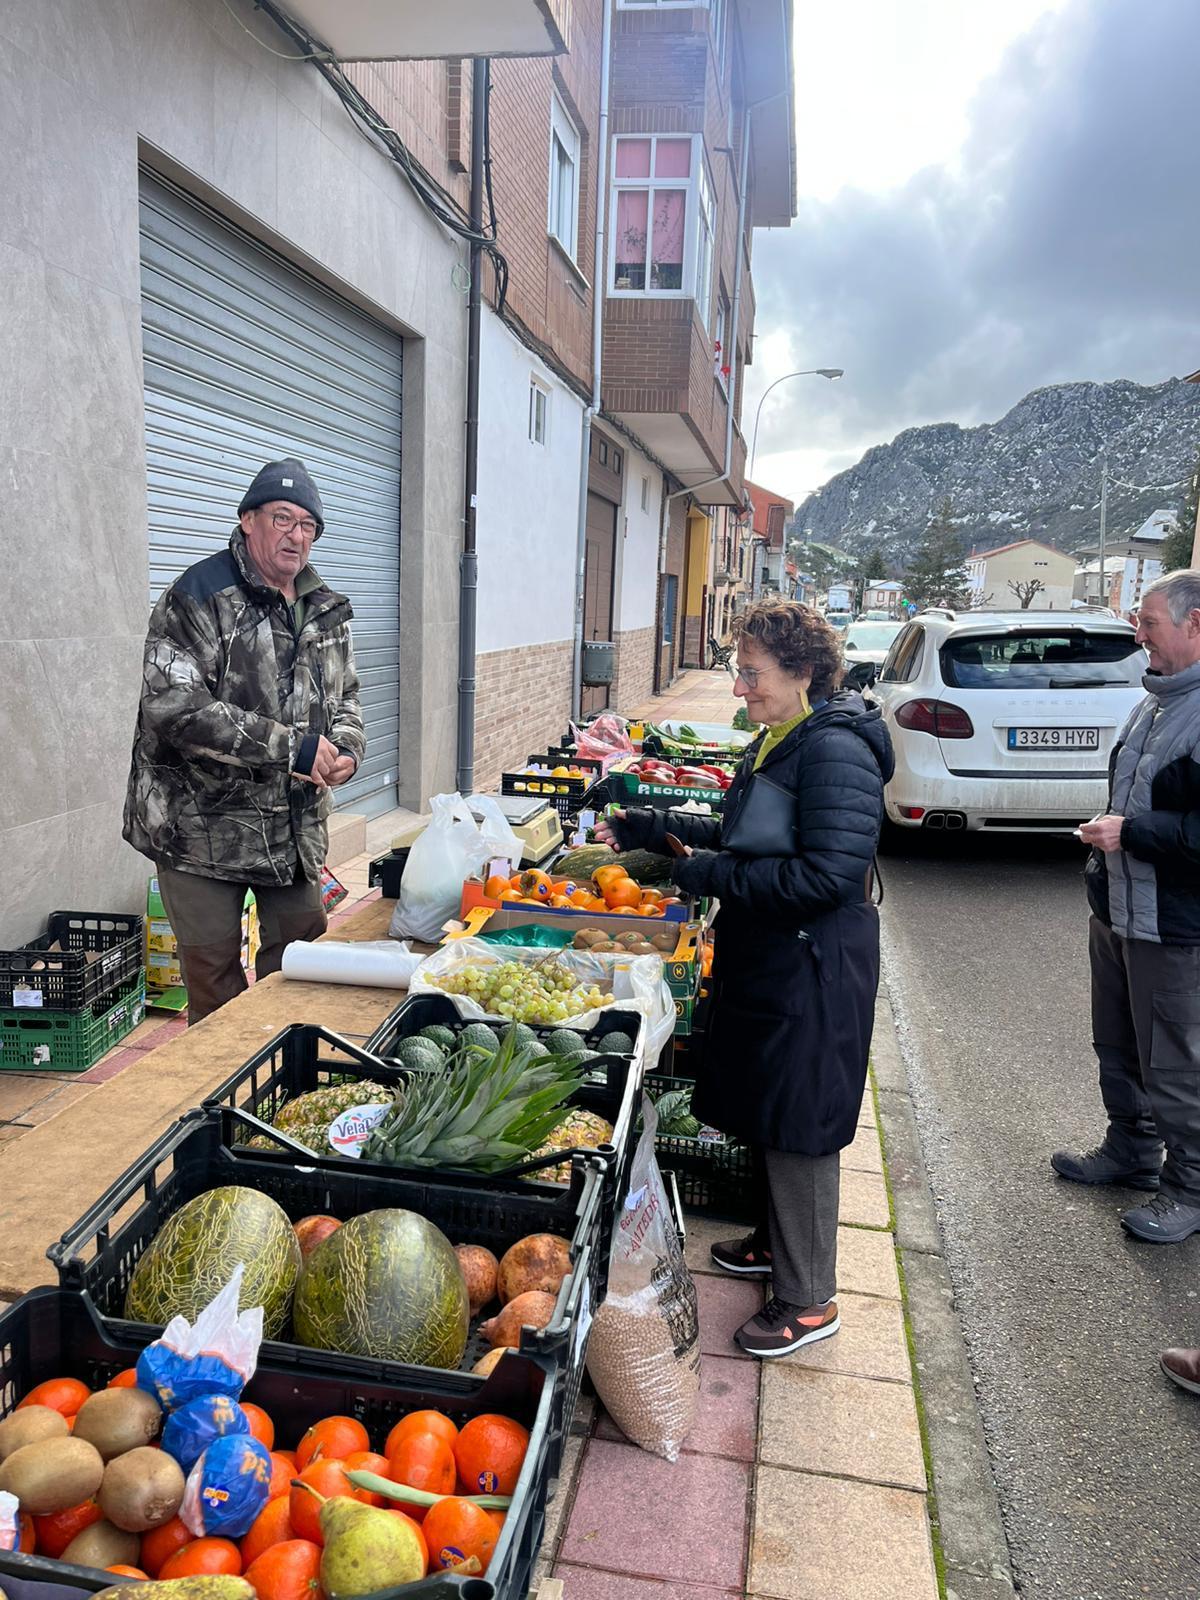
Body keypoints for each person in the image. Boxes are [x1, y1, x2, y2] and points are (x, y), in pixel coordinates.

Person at [596, 598, 894, 1357]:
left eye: (752, 674)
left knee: (800, 1121)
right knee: (769, 1101)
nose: (739, 688)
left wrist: (710, 875)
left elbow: (827, 876)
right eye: (739, 671)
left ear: (803, 672)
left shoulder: (835, 752)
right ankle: (773, 1243)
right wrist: (655, 829)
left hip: (815, 962)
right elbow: (746, 834)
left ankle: (809, 1299)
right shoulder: (784, 737)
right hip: (776, 953)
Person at [124, 458, 365, 1024]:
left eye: (308, 525)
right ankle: (229, 1081)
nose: (296, 535)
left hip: (292, 829)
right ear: (247, 520)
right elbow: (174, 707)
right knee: (215, 988)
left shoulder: (326, 609)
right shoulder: (197, 596)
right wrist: (291, 747)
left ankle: (289, 1067)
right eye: (282, 518)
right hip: (199, 830)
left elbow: (348, 694)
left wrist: (347, 749)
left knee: (302, 967)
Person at [1052, 569, 1200, 1241]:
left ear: (1195, 624)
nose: (1138, 634)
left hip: (1174, 925)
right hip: (1119, 909)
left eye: (1149, 622)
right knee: (1117, 1041)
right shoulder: (1157, 700)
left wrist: (1131, 833)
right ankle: (1132, 1150)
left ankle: (1190, 1190)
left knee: (1175, 1062)